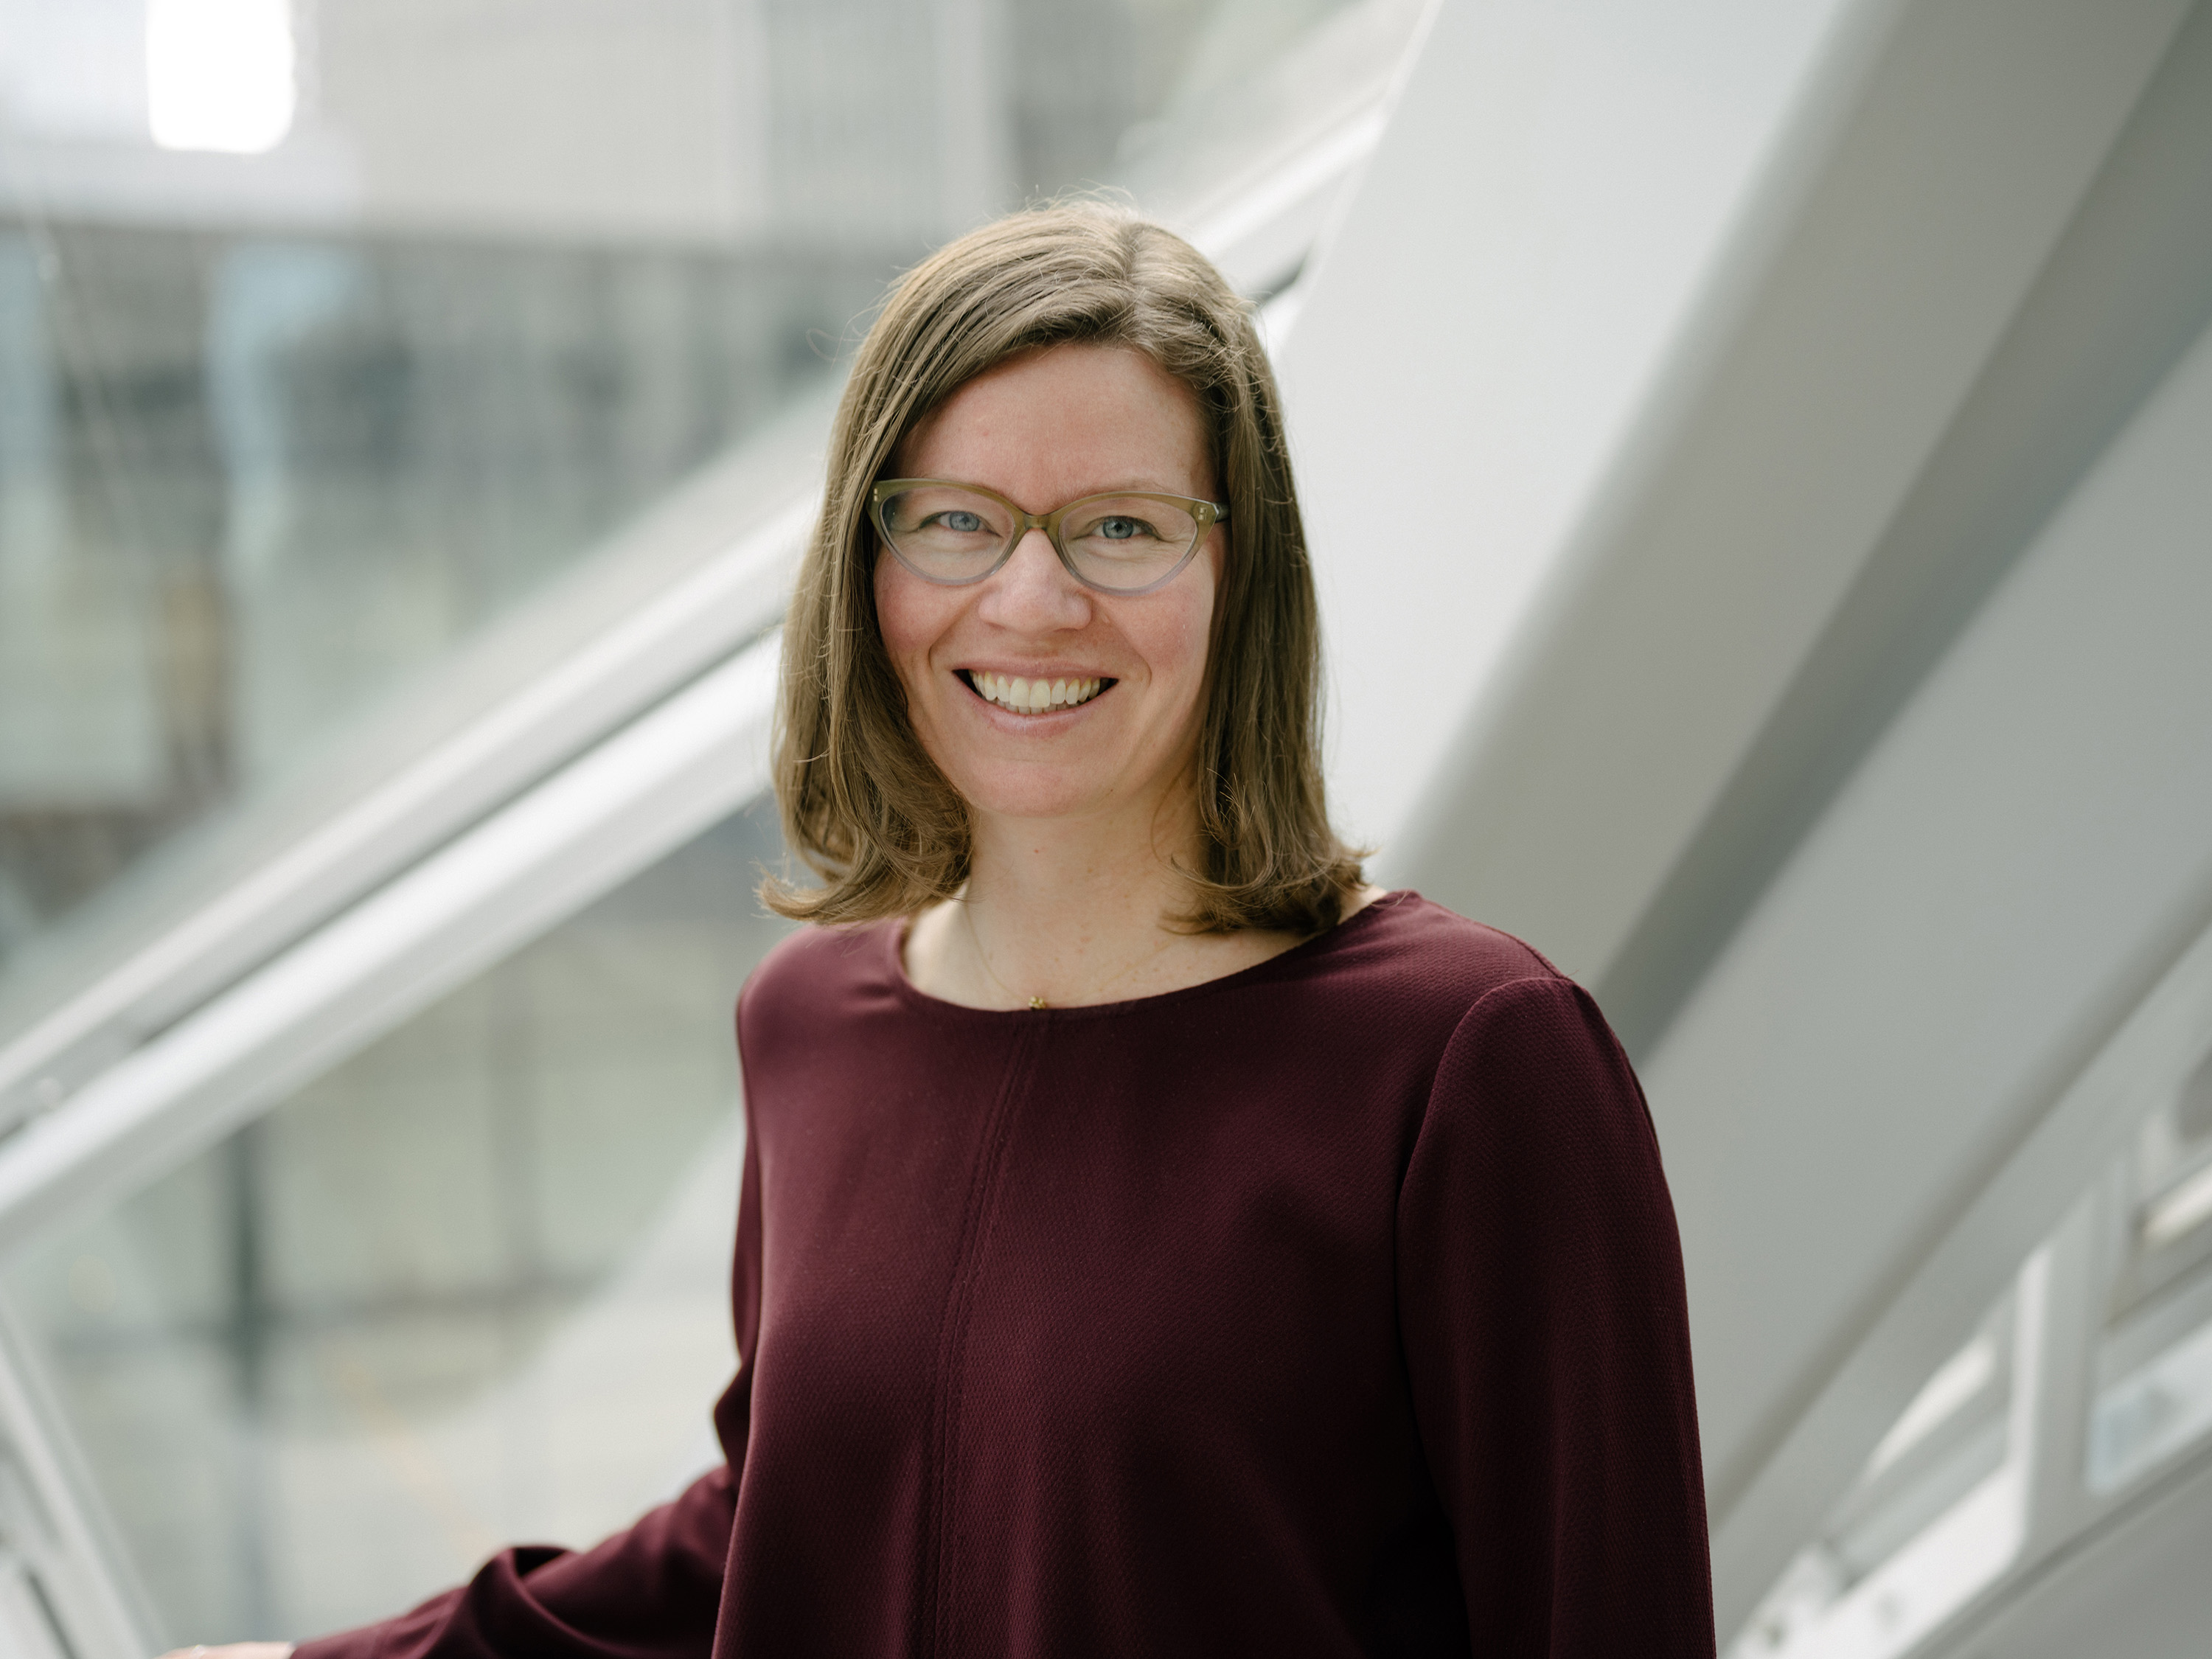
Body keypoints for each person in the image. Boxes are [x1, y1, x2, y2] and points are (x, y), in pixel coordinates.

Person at [175, 203, 1713, 1658]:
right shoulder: (809, 1026)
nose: (1031, 603)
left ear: (1240, 574)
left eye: (1120, 526)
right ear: (871, 567)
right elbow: (775, 1530)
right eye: (958, 523)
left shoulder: (1468, 1062)